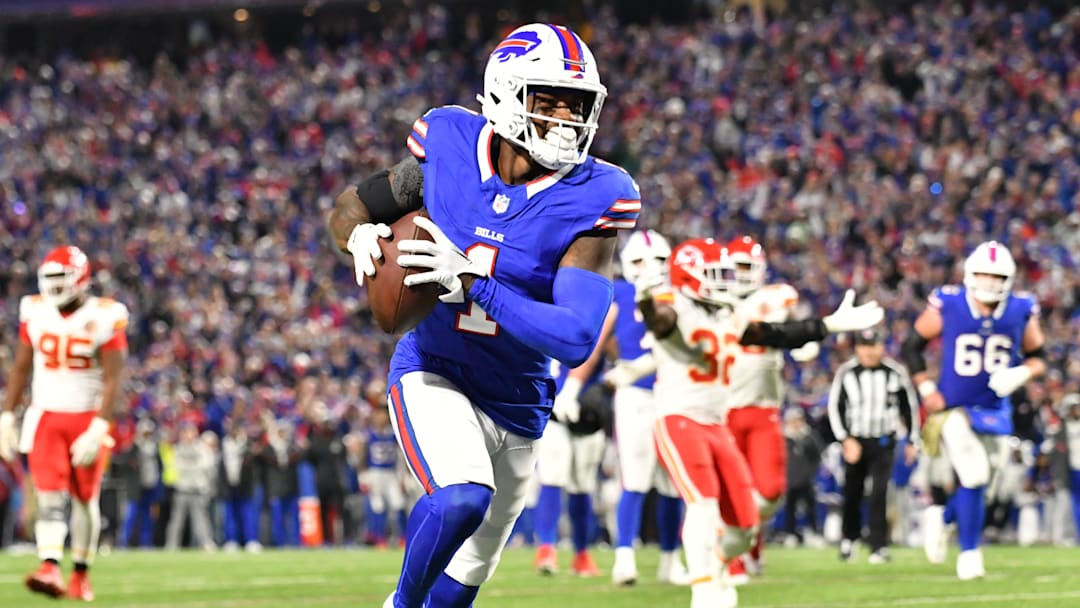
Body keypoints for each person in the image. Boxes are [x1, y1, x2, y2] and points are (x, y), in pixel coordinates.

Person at [328, 23, 638, 608]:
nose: (566, 119)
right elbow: (352, 206)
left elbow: (574, 337)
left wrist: (472, 279)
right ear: (503, 94)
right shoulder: (447, 144)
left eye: (576, 105)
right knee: (462, 497)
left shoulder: (594, 195)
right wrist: (359, 237)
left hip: (520, 400)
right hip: (436, 368)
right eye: (547, 101)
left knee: (464, 581)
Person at [635, 237, 882, 608]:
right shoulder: (674, 307)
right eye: (716, 274)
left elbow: (777, 335)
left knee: (744, 529)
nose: (726, 281)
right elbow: (661, 323)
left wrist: (829, 324)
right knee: (702, 504)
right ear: (690, 276)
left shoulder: (728, 315)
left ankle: (716, 565)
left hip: (716, 426)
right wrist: (645, 300)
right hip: (679, 419)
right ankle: (703, 589)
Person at [902, 241, 1045, 579]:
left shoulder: (1020, 309)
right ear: (969, 274)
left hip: (996, 409)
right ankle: (969, 554)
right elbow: (912, 345)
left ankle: (944, 517)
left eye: (997, 276)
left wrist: (1021, 372)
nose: (989, 282)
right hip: (955, 409)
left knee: (983, 483)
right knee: (975, 472)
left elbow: (1040, 358)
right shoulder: (950, 304)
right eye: (984, 274)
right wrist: (926, 388)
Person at [0, 246, 129, 601]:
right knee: (49, 495)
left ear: (81, 278)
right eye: (50, 278)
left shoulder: (105, 314)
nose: (55, 286)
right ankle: (50, 566)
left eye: (61, 278)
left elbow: (114, 379)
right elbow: (22, 366)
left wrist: (101, 426)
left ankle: (81, 575)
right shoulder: (36, 311)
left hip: (87, 416)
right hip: (46, 414)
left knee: (85, 499)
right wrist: (7, 414)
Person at [712, 235, 821, 579]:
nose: (742, 273)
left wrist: (799, 342)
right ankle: (736, 557)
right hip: (724, 409)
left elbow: (791, 326)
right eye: (737, 266)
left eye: (747, 266)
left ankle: (752, 543)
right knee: (730, 491)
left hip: (763, 408)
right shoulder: (714, 300)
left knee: (770, 490)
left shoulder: (776, 297)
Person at [603, 229, 688, 586]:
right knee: (634, 479)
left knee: (673, 484)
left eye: (656, 260)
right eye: (639, 260)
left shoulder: (681, 296)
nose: (649, 267)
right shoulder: (618, 293)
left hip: (672, 393)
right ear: (626, 263)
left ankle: (670, 559)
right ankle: (624, 556)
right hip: (635, 395)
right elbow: (598, 336)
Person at [533, 304, 617, 577]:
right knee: (553, 479)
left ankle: (580, 553)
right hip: (555, 410)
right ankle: (547, 549)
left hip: (586, 414)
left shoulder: (595, 313)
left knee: (582, 486)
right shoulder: (547, 313)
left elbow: (613, 349)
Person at [826, 327, 919, 564]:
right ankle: (850, 539)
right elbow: (835, 407)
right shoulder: (846, 373)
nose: (868, 351)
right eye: (864, 346)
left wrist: (911, 439)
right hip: (855, 440)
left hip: (883, 440)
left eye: (873, 346)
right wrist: (845, 439)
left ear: (881, 347)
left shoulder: (894, 372)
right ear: (857, 348)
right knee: (852, 492)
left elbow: (908, 407)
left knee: (879, 493)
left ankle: (878, 545)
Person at [361, 406, 407, 549]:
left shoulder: (393, 434)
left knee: (399, 504)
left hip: (391, 472)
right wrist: (363, 476)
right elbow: (363, 457)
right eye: (378, 415)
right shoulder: (369, 435)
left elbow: (402, 456)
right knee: (378, 506)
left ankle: (403, 538)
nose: (381, 418)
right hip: (375, 473)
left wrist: (403, 476)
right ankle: (380, 538)